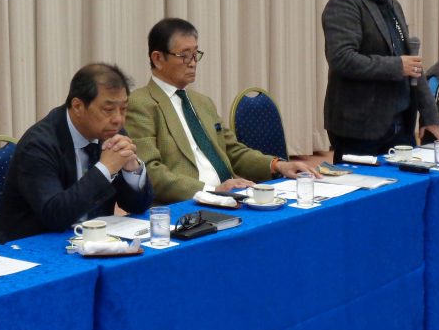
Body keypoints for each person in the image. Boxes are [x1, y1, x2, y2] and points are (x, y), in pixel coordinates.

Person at [125, 18, 318, 204]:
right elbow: (150, 171)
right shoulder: (140, 104)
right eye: (184, 55)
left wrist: (279, 165)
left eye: (195, 54)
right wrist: (211, 190)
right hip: (186, 205)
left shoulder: (202, 102)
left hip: (231, 196)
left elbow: (233, 151)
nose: (192, 62)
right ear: (158, 59)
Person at [0, 63, 153, 243]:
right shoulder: (38, 145)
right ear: (77, 106)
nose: (118, 119)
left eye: (123, 109)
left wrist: (131, 170)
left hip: (93, 243)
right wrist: (105, 170)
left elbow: (137, 206)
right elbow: (54, 216)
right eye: (108, 110)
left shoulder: (112, 134)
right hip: (29, 245)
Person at [321, 0, 439, 157]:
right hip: (359, 127)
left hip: (400, 125)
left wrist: (429, 115)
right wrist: (397, 66)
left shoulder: (393, 6)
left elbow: (412, 64)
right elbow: (342, 59)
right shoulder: (344, 3)